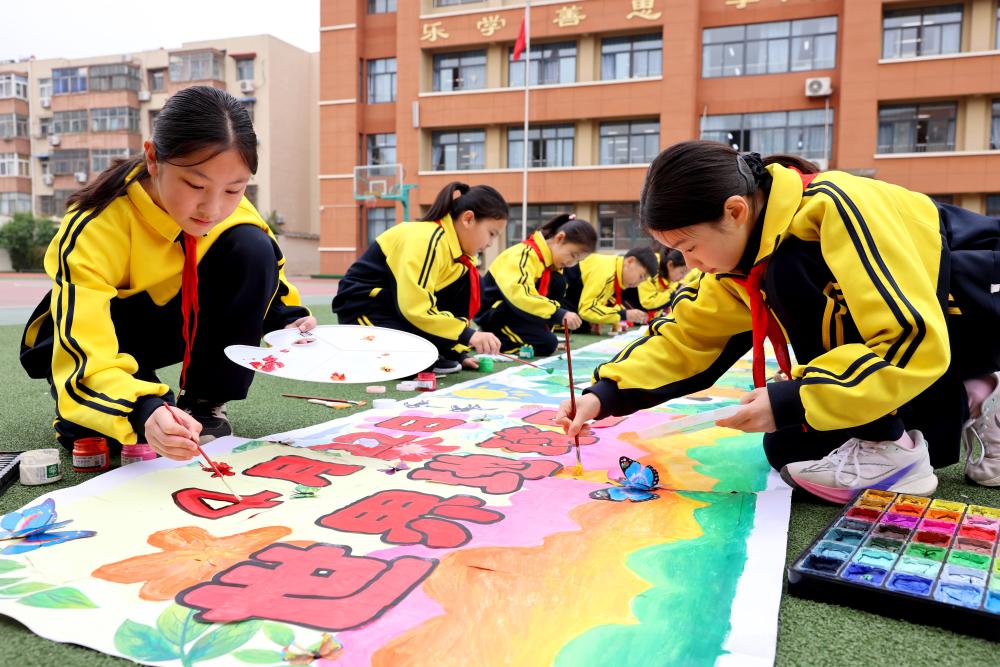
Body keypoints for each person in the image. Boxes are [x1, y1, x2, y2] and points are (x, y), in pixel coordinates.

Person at [558, 140, 1000, 503]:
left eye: (689, 246)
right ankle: (972, 395)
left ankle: (896, 446)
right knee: (788, 444)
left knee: (792, 275)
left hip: (976, 308)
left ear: (735, 211)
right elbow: (688, 336)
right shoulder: (745, 252)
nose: (690, 264)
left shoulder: (834, 209)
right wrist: (604, 394)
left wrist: (794, 397)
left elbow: (908, 335)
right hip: (931, 340)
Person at [19, 86, 314, 461]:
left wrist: (288, 319)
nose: (212, 208)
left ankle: (204, 402)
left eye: (234, 189)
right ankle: (133, 396)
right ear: (153, 158)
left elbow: (267, 276)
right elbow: (84, 348)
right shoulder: (95, 225)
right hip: (91, 335)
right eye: (195, 185)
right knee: (113, 437)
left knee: (252, 244)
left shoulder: (234, 212)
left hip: (169, 325)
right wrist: (143, 409)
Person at [332, 182, 506, 372]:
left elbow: (442, 306)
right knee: (412, 364)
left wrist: (455, 350)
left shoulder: (460, 259)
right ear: (468, 219)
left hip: (397, 309)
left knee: (473, 282)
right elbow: (415, 308)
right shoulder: (425, 240)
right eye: (491, 234)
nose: (490, 243)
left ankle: (440, 351)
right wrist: (467, 334)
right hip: (365, 307)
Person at [476, 213, 597, 356]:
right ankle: (486, 339)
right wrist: (557, 313)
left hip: (515, 313)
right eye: (572, 255)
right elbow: (520, 294)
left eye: (577, 261)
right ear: (559, 238)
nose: (572, 263)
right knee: (547, 344)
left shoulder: (552, 266)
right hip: (495, 311)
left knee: (558, 282)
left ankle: (533, 333)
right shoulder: (522, 254)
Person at [564, 246, 658, 332]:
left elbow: (596, 304)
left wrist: (598, 319)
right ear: (630, 261)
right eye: (641, 277)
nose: (638, 284)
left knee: (584, 324)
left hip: (570, 296)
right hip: (561, 296)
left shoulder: (614, 269)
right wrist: (624, 314)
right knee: (578, 323)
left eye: (643, 280)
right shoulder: (606, 271)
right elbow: (587, 309)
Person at [620, 247, 692, 320]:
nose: (683, 277)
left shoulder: (671, 277)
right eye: (682, 272)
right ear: (670, 265)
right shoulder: (651, 269)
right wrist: (673, 295)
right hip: (625, 310)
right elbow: (647, 302)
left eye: (686, 274)